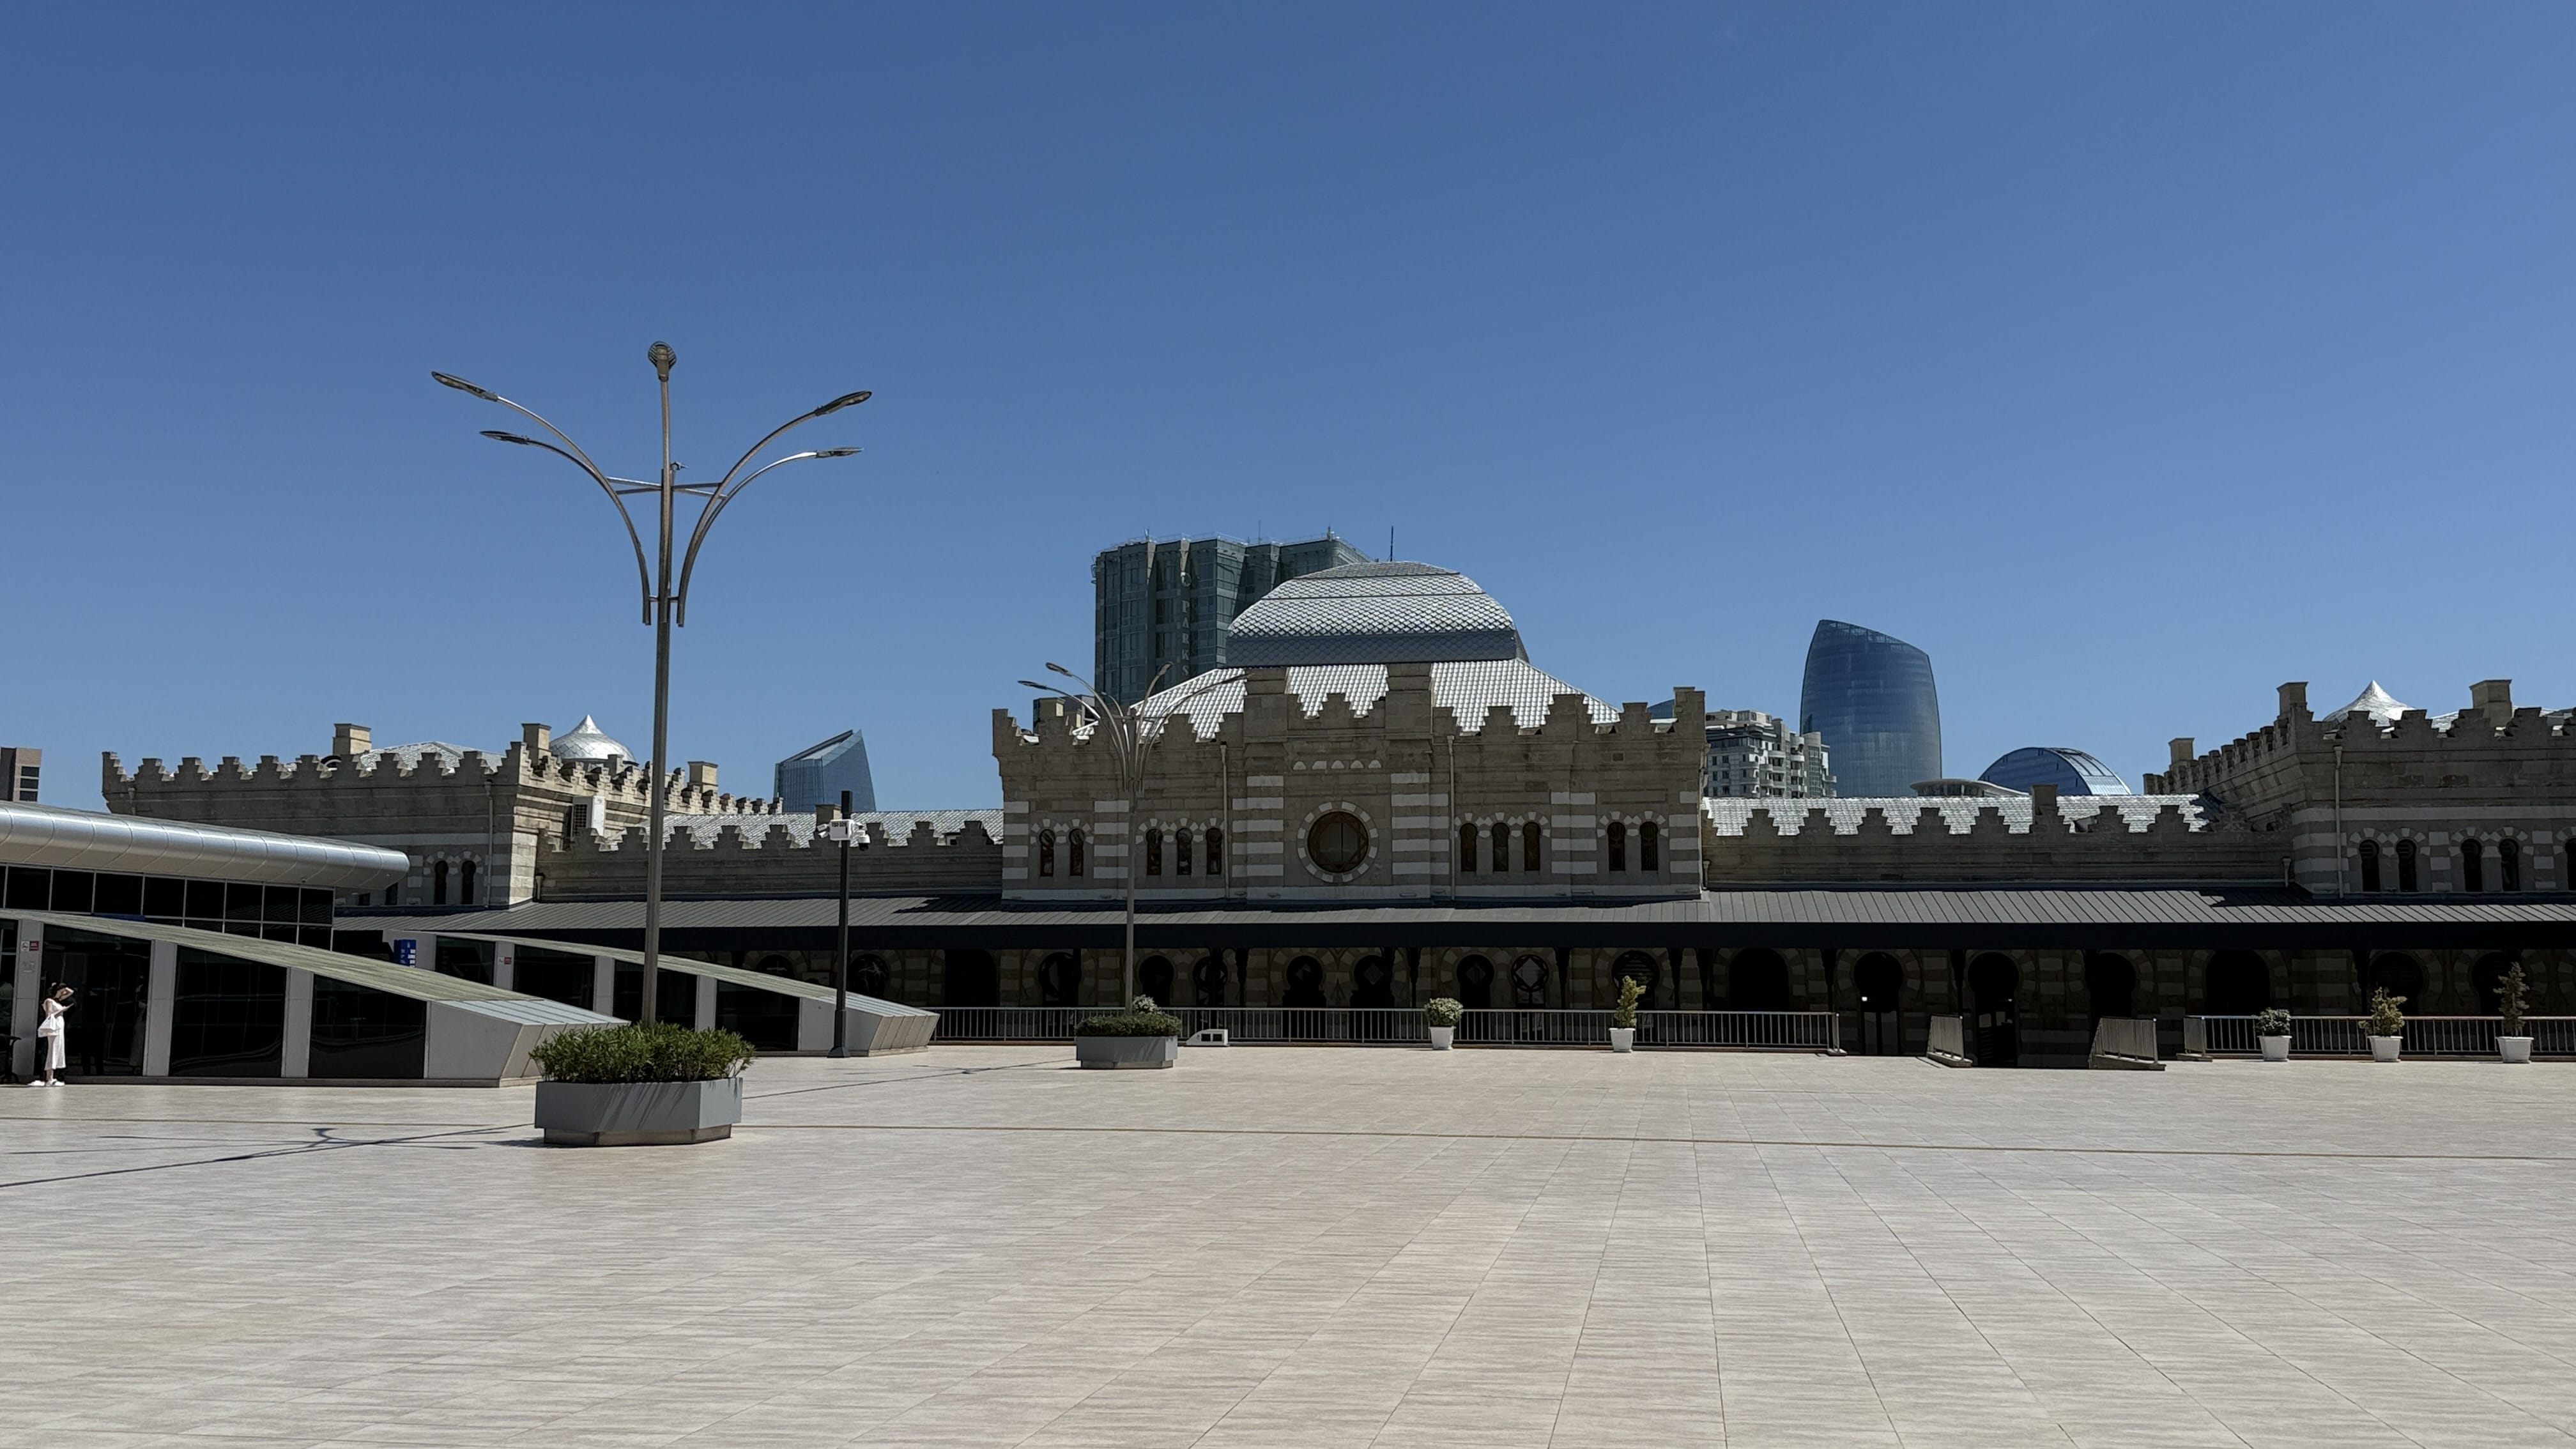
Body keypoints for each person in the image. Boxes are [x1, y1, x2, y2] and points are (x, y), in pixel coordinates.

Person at [32, 986, 71, 1087]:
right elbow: (49, 1014)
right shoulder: (49, 1001)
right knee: (53, 1051)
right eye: (61, 991)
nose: (62, 993)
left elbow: (70, 992)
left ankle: (52, 1077)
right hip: (54, 1029)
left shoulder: (57, 1001)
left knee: (58, 1051)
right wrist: (62, 1010)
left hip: (59, 1029)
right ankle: (49, 1078)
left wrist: (64, 989)